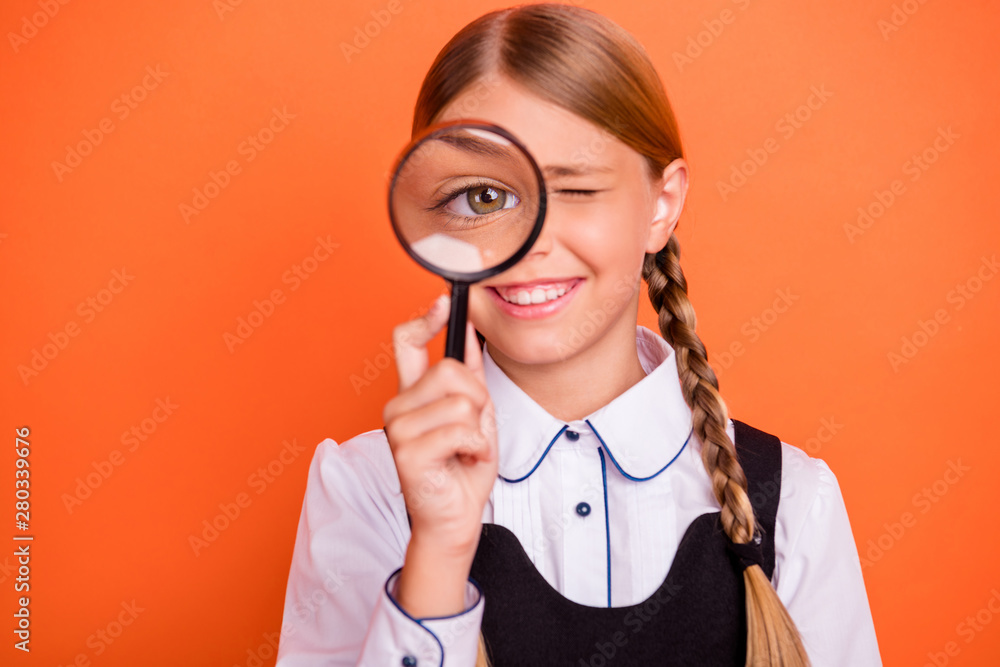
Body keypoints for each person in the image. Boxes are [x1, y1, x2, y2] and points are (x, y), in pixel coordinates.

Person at [275, 4, 882, 666]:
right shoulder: (366, 490)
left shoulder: (795, 500)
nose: (530, 243)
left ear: (661, 205)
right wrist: (440, 554)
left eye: (575, 189)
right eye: (483, 197)